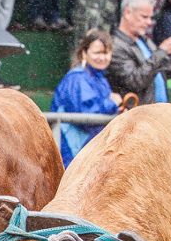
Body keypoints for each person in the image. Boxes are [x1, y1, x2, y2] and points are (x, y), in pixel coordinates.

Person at [50, 28, 121, 164]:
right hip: (72, 151)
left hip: (88, 149)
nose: (102, 57)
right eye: (97, 52)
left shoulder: (100, 79)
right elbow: (86, 114)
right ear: (84, 53)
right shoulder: (77, 78)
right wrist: (112, 103)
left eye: (106, 53)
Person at [108, 0, 171, 106]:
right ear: (127, 13)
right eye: (144, 17)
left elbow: (166, 72)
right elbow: (136, 81)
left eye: (150, 18)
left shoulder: (144, 40)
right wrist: (162, 52)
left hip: (158, 113)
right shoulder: (115, 45)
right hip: (137, 117)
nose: (149, 22)